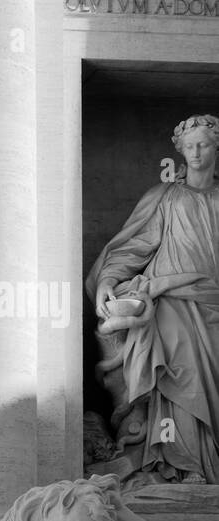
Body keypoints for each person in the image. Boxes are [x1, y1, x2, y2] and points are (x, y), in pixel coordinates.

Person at [88, 113, 219, 485]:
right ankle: (178, 463)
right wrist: (108, 279)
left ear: (216, 148)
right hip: (173, 301)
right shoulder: (164, 197)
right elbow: (133, 246)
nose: (196, 152)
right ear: (179, 150)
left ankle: (211, 466)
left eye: (204, 145)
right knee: (180, 379)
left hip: (214, 302)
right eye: (189, 146)